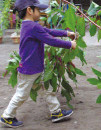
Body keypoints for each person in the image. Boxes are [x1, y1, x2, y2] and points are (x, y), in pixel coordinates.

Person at [0, 0, 77, 128]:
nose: (40, 12)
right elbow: (50, 39)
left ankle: (56, 112)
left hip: (35, 68)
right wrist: (70, 44)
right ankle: (7, 116)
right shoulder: (33, 27)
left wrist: (66, 33)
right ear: (30, 10)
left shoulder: (29, 25)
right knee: (22, 94)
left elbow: (49, 31)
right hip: (29, 69)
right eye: (38, 10)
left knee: (48, 89)